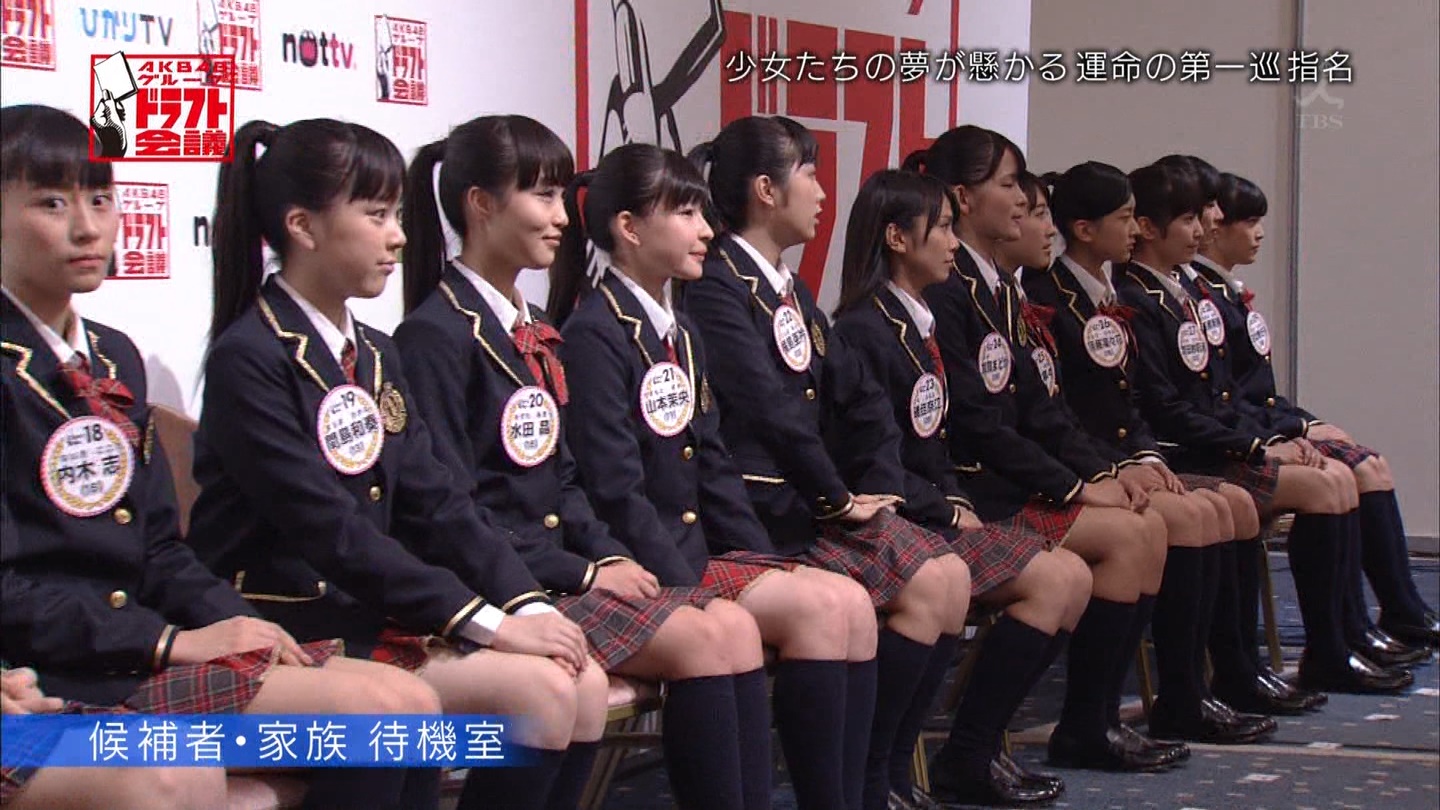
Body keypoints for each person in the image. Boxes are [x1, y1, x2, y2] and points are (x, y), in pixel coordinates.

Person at [1, 104, 442, 810]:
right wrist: (167, 642)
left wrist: (236, 624)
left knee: (409, 707)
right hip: (48, 670)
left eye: (101, 199)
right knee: (359, 722)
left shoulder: (113, 356)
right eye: (52, 203)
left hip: (130, 651)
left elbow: (158, 547)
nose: (87, 226)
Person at [190, 116, 605, 810]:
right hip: (292, 619)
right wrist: (490, 623)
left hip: (372, 607)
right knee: (521, 693)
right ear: (303, 226)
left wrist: (525, 603)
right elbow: (331, 530)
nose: (400, 237)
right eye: (376, 215)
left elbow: (435, 499)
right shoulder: (251, 357)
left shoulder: (376, 352)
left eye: (397, 215)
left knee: (575, 679)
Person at [397, 117, 773, 810]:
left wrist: (606, 557)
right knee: (693, 641)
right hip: (500, 583)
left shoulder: (530, 328)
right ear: (481, 205)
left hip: (558, 569)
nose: (562, 217)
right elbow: (451, 506)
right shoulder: (433, 335)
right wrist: (583, 572)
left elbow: (564, 480)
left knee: (731, 627)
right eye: (542, 196)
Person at [548, 141, 882, 810]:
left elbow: (714, 464)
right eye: (686, 214)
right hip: (647, 556)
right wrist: (687, 583)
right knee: (806, 612)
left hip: (699, 548)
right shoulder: (594, 333)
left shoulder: (680, 331)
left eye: (704, 214)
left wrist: (758, 561)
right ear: (629, 227)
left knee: (846, 602)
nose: (706, 231)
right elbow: (615, 490)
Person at [686, 115, 974, 810]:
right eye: (810, 175)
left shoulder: (792, 290)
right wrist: (838, 502)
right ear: (765, 190)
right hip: (761, 511)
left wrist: (879, 489)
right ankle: (865, 785)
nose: (822, 193)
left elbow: (862, 400)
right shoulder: (717, 287)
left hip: (812, 502)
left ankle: (884, 775)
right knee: (911, 587)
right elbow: (769, 413)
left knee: (950, 577)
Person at [905, 126, 1184, 773]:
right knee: (1126, 539)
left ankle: (1092, 721)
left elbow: (1041, 410)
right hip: (975, 491)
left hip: (1013, 481)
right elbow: (977, 423)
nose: (1024, 204)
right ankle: (995, 743)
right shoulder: (948, 291)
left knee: (1142, 527)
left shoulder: (1001, 288)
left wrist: (1108, 470)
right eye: (1008, 186)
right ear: (963, 198)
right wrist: (1076, 488)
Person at [832, 168, 1093, 805]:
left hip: (932, 511)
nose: (954, 243)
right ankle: (889, 773)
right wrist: (945, 508)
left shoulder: (916, 321)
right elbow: (870, 460)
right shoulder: (864, 329)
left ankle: (970, 751)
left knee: (1070, 578)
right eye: (943, 228)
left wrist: (950, 499)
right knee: (1042, 579)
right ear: (897, 237)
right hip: (894, 520)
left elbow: (933, 441)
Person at [1115, 160, 1412, 696]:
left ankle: (1342, 638)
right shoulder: (1136, 296)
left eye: (1205, 214)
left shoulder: (1188, 289)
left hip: (1221, 440)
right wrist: (1258, 443)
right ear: (1148, 227)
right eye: (1192, 217)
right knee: (1321, 485)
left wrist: (1280, 433)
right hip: (1188, 451)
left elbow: (1227, 391)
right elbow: (1167, 407)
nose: (1205, 226)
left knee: (1338, 477)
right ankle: (1293, 655)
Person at [1200, 168, 1437, 649]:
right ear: (1215, 228)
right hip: (1229, 445)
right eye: (1248, 221)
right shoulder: (1201, 301)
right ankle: (1340, 638)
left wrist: (1306, 423)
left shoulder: (1226, 294)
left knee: (1369, 464)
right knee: (1337, 477)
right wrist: (1286, 435)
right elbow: (1225, 399)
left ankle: (1395, 613)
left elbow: (1257, 392)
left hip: (1257, 428)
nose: (1259, 233)